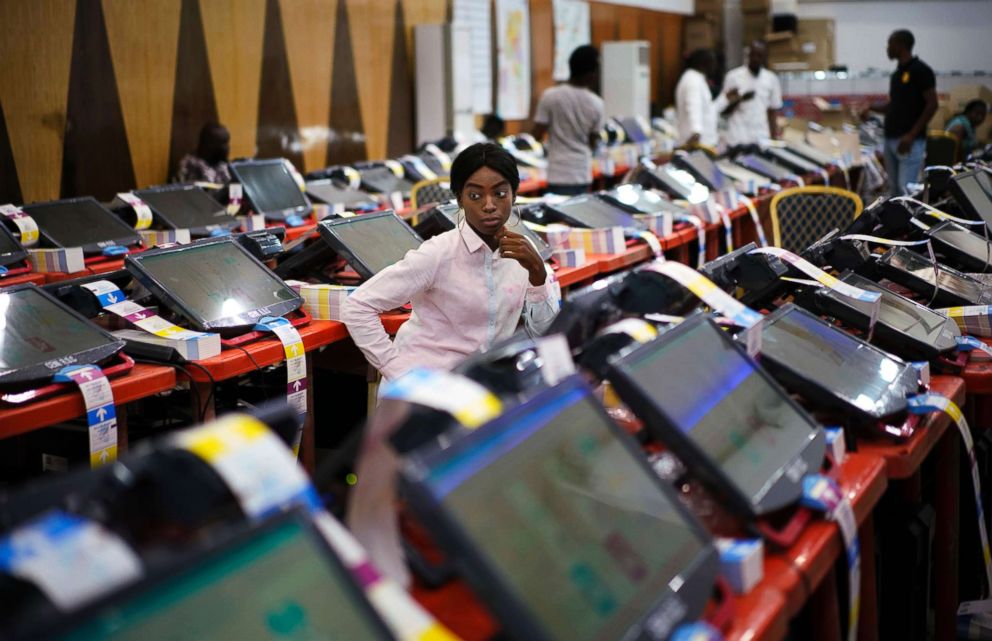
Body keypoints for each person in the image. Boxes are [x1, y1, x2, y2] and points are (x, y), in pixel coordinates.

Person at [341, 142, 559, 383]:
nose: (488, 205)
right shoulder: (439, 253)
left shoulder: (523, 252)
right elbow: (357, 307)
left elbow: (546, 332)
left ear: (514, 195)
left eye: (499, 193)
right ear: (460, 200)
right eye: (475, 195)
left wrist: (538, 274)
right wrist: (398, 372)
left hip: (481, 385)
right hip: (428, 390)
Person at [862, 30, 937, 195]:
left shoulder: (920, 70)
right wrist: (870, 107)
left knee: (907, 190)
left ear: (901, 45)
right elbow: (894, 105)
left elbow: (932, 104)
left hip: (909, 141)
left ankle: (910, 221)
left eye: (890, 44)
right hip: (891, 140)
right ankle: (896, 222)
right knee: (894, 191)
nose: (887, 48)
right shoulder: (897, 75)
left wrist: (911, 135)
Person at [531, 45, 605, 195]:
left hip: (557, 172)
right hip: (581, 173)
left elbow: (537, 134)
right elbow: (593, 141)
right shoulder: (596, 103)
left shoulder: (550, 96)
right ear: (591, 74)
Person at [717, 41, 783, 147]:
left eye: (759, 55)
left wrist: (774, 138)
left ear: (765, 57)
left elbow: (772, 111)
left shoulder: (771, 79)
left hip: (760, 137)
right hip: (737, 137)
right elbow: (723, 111)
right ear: (748, 55)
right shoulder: (733, 77)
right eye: (753, 55)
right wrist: (739, 99)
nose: (755, 58)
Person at [675, 49, 719, 149]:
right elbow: (693, 106)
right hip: (697, 144)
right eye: (713, 63)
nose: (715, 67)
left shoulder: (697, 78)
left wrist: (725, 99)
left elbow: (709, 110)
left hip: (703, 143)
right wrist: (696, 131)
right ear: (704, 63)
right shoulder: (693, 81)